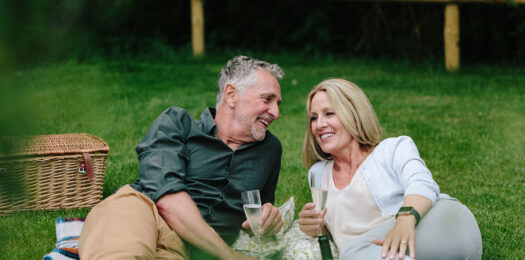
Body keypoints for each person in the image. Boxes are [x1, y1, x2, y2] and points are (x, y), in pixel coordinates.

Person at [79, 56, 286, 259]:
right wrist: (228, 255)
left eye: (278, 103)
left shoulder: (270, 150)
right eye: (267, 99)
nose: (276, 112)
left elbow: (258, 216)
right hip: (143, 214)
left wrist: (269, 220)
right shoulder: (177, 123)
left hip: (190, 251)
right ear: (231, 94)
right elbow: (166, 199)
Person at [297, 78, 482, 259]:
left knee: (354, 253)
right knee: (353, 253)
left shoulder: (391, 149)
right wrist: (315, 228)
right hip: (380, 252)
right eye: (314, 118)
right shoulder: (318, 174)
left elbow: (422, 182)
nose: (319, 124)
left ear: (353, 114)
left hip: (443, 225)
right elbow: (341, 231)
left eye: (329, 113)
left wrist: (405, 219)